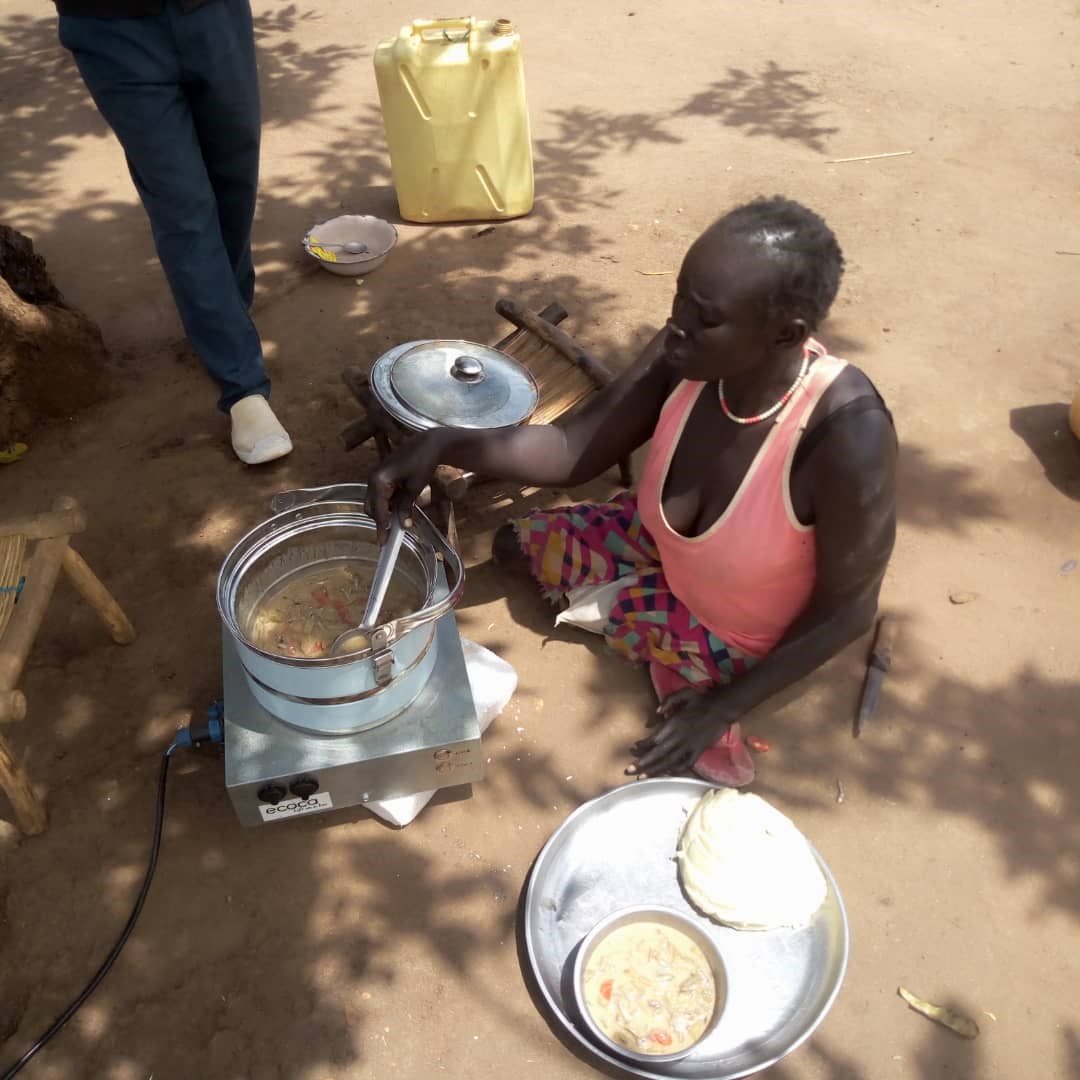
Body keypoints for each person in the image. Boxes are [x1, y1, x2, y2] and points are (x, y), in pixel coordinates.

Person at [366, 197, 897, 781]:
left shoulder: (844, 435)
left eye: (705, 316)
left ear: (784, 334)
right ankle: (647, 604)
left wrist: (724, 706)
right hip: (661, 546)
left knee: (688, 745)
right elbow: (571, 450)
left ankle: (698, 671)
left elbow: (849, 610)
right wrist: (444, 443)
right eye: (679, 299)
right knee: (516, 549)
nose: (678, 324)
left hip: (736, 625)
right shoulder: (687, 355)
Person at [56, 0, 292, 465]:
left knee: (235, 179)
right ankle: (242, 386)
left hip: (213, 13)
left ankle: (226, 312)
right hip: (109, 28)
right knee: (183, 207)